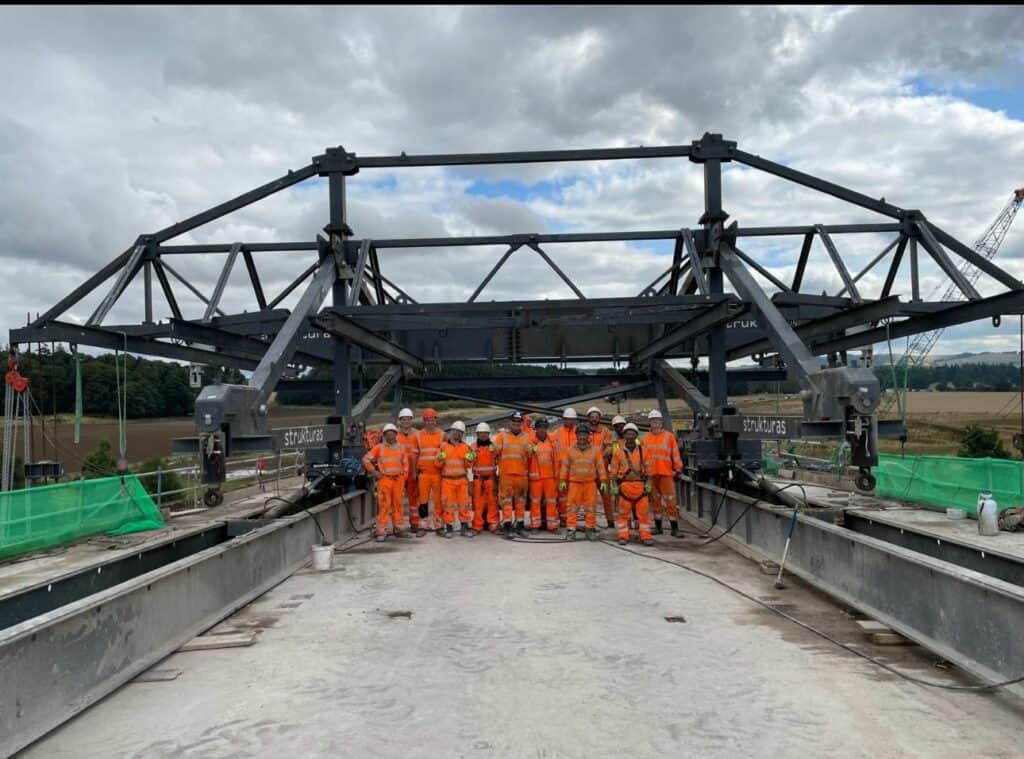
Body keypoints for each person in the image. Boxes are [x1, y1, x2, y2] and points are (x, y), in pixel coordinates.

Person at [362, 423, 411, 542]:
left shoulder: (401, 448)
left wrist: (403, 478)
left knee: (398, 505)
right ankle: (381, 531)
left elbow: (405, 464)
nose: (390, 437)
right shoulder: (379, 448)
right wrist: (375, 472)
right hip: (385, 480)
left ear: (396, 434)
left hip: (398, 480)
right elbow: (366, 459)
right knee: (384, 506)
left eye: (392, 434)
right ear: (384, 435)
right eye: (388, 434)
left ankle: (398, 529)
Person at [558, 425, 608, 541]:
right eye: (580, 434)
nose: (582, 437)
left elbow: (600, 467)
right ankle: (571, 531)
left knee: (590, 507)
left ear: (588, 436)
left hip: (590, 484)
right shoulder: (570, 451)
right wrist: (562, 480)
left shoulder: (595, 451)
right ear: (576, 436)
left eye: (584, 434)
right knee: (572, 508)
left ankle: (589, 530)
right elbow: (565, 467)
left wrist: (604, 480)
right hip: (574, 484)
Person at [610, 423, 654, 546]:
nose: (630, 436)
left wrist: (648, 484)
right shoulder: (618, 452)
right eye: (627, 433)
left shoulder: (644, 451)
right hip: (625, 487)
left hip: (640, 487)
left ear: (636, 435)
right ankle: (623, 536)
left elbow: (649, 469)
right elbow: (613, 470)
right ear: (624, 435)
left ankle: (645, 536)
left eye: (632, 433)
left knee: (643, 514)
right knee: (623, 514)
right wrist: (614, 485)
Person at [643, 409, 683, 536]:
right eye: (653, 420)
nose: (655, 422)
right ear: (650, 422)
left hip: (666, 473)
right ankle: (658, 527)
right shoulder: (645, 438)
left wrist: (678, 469)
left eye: (657, 420)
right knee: (655, 502)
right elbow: (642, 457)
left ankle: (674, 529)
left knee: (671, 501)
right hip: (651, 474)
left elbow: (675, 454)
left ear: (661, 422)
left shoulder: (669, 437)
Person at [493, 411, 532, 539]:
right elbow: (494, 451)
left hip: (521, 475)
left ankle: (520, 526)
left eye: (518, 422)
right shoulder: (501, 436)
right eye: (514, 421)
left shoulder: (526, 437)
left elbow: (530, 453)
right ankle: (508, 527)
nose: (516, 424)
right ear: (510, 422)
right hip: (506, 475)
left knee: (521, 502)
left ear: (521, 423)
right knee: (507, 502)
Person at [436, 421, 474, 538]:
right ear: (451, 431)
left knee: (464, 505)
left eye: (460, 432)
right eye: (456, 431)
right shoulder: (443, 446)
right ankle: (449, 528)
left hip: (462, 479)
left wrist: (470, 459)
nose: (457, 434)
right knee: (448, 505)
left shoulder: (465, 447)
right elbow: (436, 465)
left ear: (462, 434)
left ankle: (464, 527)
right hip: (447, 480)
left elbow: (469, 465)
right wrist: (440, 459)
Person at [413, 408, 446, 536]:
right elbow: (415, 456)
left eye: (432, 420)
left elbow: (445, 454)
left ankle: (438, 525)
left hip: (437, 474)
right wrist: (414, 472)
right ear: (424, 421)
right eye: (428, 420)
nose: (430, 422)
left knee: (438, 501)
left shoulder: (442, 435)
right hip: (424, 474)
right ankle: (423, 526)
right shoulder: (418, 435)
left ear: (435, 420)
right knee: (423, 501)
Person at [528, 417, 559, 533]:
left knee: (551, 502)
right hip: (535, 478)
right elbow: (527, 459)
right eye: (540, 428)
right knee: (535, 502)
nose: (542, 430)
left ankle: (552, 526)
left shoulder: (552, 443)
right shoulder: (531, 442)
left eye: (544, 428)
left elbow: (556, 460)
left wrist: (557, 477)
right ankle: (535, 526)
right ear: (536, 429)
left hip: (550, 477)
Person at [586, 406, 615, 528]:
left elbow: (609, 447)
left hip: (602, 471)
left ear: (599, 418)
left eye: (596, 417)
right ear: (588, 418)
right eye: (592, 417)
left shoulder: (605, 431)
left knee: (607, 496)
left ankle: (610, 521)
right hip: (589, 471)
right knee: (590, 499)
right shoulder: (583, 431)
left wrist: (600, 456)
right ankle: (590, 523)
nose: (594, 419)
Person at [471, 422, 500, 534]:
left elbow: (500, 460)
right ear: (477, 434)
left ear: (488, 434)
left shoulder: (494, 447)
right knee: (478, 504)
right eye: (481, 433)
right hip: (478, 480)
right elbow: (468, 464)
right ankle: (477, 526)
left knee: (492, 503)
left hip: (491, 479)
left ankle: (493, 524)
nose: (483, 435)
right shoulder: (473, 447)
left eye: (485, 433)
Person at [553, 407, 579, 527]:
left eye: (573, 420)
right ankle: (563, 519)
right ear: (564, 420)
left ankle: (571, 519)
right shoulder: (557, 433)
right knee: (562, 496)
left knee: (574, 496)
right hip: (561, 470)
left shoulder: (579, 433)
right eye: (568, 419)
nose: (571, 422)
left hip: (575, 470)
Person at [397, 408, 420, 535]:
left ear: (412, 421)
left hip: (413, 472)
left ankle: (415, 523)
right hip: (399, 472)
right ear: (400, 421)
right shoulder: (394, 435)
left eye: (408, 419)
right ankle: (398, 525)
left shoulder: (417, 434)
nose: (406, 422)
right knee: (398, 499)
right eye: (403, 419)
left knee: (413, 499)